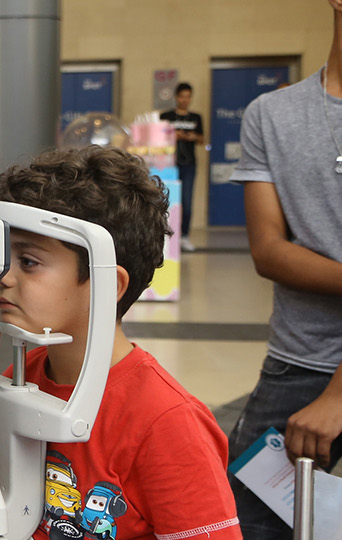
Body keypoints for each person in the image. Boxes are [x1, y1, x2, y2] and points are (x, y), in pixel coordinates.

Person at [0, 146, 241, 540]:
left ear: (109, 284)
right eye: (6, 259)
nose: (4, 277)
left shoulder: (167, 423)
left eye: (29, 262)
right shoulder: (22, 377)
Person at [227, 2, 342, 536]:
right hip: (296, 364)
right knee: (240, 521)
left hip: (329, 388)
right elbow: (269, 251)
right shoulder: (270, 114)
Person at [159, 82, 205, 252]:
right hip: (169, 164)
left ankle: (184, 236)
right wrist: (173, 135)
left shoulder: (196, 117)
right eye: (182, 97)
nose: (185, 100)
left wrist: (192, 137)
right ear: (176, 97)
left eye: (188, 97)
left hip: (189, 165)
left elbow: (202, 140)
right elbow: (158, 137)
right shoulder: (166, 116)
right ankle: (166, 235)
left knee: (187, 201)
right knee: (167, 201)